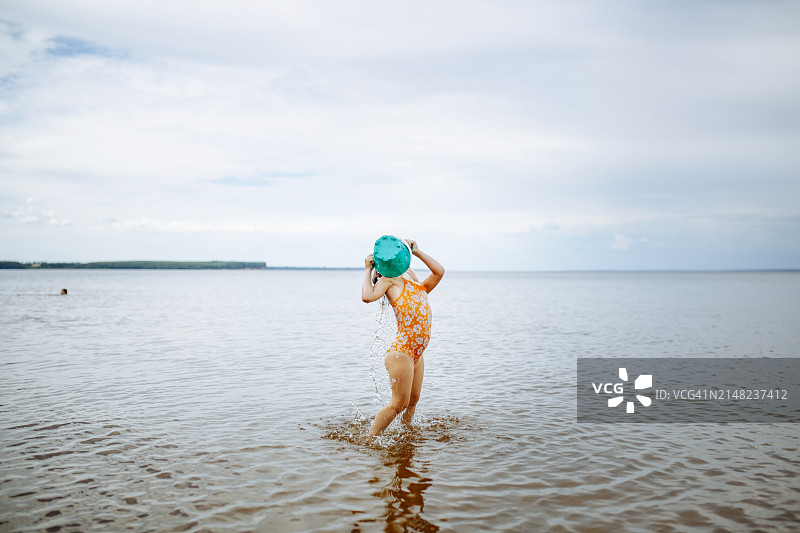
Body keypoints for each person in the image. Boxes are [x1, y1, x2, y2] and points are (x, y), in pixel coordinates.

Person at [362, 236, 445, 436]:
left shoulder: (418, 285)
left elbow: (439, 271)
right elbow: (367, 296)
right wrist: (367, 269)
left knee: (413, 400)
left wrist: (417, 251)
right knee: (399, 404)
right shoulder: (388, 282)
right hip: (401, 352)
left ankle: (406, 435)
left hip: (417, 353)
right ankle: (369, 439)